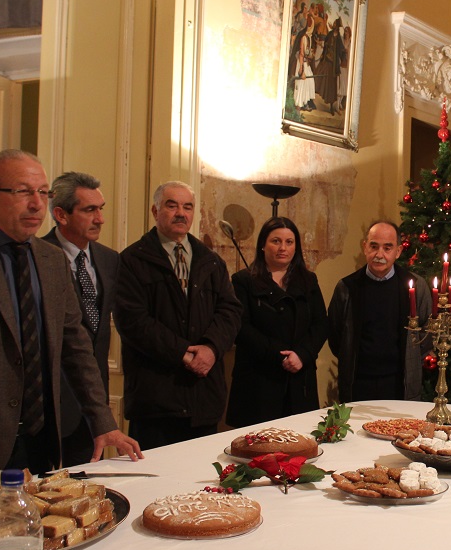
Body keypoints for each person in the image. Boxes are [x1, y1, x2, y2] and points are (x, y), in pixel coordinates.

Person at [0, 150, 141, 505]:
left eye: (42, 192)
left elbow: (76, 347)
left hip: (42, 440)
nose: (37, 204)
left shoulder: (52, 259)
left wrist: (103, 421)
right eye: (23, 192)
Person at [114, 181, 242, 450]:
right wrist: (183, 353)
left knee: (202, 474)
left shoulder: (211, 261)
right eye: (172, 206)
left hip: (203, 396)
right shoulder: (132, 260)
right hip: (156, 399)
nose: (181, 213)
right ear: (155, 211)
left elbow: (230, 311)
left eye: (188, 207)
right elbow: (133, 321)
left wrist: (211, 348)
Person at [44, 171, 121, 466]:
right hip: (49, 404)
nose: (100, 219)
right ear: (61, 215)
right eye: (90, 210)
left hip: (93, 404)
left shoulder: (109, 259)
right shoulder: (38, 256)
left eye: (101, 209)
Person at [226, 217, 327, 426]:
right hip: (259, 380)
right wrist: (279, 356)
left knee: (300, 439)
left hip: (299, 379)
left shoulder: (309, 280)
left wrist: (302, 355)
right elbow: (241, 328)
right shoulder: (243, 280)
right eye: (276, 241)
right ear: (263, 245)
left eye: (289, 242)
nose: (283, 248)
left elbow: (321, 324)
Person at [328, 221, 432, 401]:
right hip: (358, 382)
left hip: (400, 382)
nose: (379, 255)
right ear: (365, 247)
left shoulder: (416, 287)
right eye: (374, 246)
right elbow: (335, 334)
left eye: (387, 248)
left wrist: (411, 358)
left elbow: (426, 331)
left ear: (398, 251)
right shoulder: (347, 287)